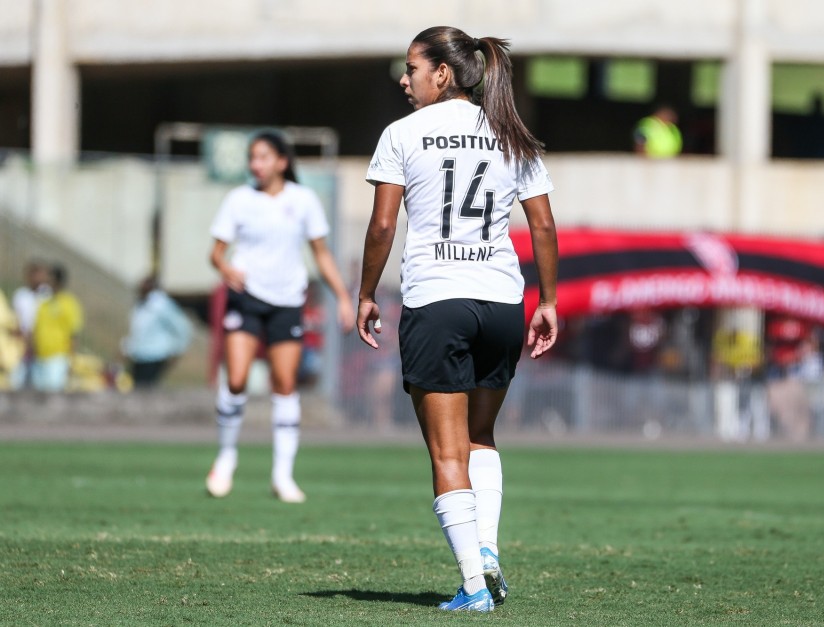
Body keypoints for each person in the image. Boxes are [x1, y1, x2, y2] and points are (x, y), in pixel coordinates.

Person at [357, 27, 559, 613]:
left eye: (412, 68)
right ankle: (488, 550)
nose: (405, 78)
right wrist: (547, 301)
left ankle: (474, 584)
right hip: (501, 303)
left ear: (442, 73)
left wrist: (366, 293)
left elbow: (382, 228)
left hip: (438, 302)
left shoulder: (401, 134)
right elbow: (543, 226)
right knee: (480, 437)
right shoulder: (511, 134)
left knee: (447, 455)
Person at [205, 130, 355, 504]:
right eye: (252, 158)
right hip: (246, 298)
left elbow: (321, 253)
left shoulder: (302, 200)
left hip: (288, 301)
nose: (256, 164)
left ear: (282, 162)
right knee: (237, 379)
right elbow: (216, 253)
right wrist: (225, 269)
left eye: (263, 157)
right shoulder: (238, 199)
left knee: (284, 383)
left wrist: (342, 297)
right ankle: (226, 458)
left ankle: (283, 475)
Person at [122, 275, 192, 388]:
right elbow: (138, 330)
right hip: (139, 355)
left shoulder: (162, 305)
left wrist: (177, 351)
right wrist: (127, 349)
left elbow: (182, 327)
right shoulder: (140, 305)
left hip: (155, 355)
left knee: (146, 390)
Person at [31, 263, 84, 393]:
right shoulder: (44, 302)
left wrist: (71, 362)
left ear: (57, 280)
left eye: (50, 278)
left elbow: (74, 334)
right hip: (39, 358)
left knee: (53, 400)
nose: (47, 281)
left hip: (57, 359)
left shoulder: (69, 303)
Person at [10, 260, 50, 389]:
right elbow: (15, 318)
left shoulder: (48, 295)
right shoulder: (20, 295)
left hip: (42, 347)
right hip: (22, 345)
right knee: (16, 383)